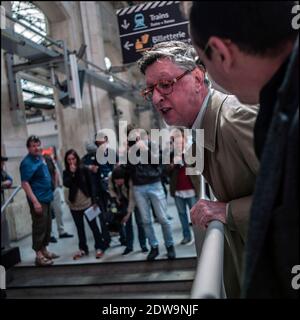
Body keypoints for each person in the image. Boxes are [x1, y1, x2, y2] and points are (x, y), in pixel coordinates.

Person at [188, 1, 299, 299]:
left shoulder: (260, 117)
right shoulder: (280, 103)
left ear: (221, 53)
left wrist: (227, 211)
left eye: (203, 62)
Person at [138, 41, 259, 297]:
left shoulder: (236, 119)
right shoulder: (202, 131)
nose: (157, 97)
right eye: (150, 90)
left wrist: (228, 211)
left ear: (197, 77)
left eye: (166, 84)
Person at [125, 124, 176, 261]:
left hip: (154, 184)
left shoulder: (151, 144)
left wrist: (145, 150)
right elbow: (129, 170)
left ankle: (170, 246)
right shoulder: (129, 150)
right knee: (146, 221)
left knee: (163, 218)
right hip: (138, 187)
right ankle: (154, 247)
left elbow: (159, 163)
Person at [19, 135, 59, 266]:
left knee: (47, 226)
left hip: (47, 197)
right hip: (38, 199)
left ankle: (44, 250)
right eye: (33, 146)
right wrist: (35, 202)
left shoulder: (40, 158)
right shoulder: (26, 163)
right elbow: (25, 183)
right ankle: (38, 255)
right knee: (39, 227)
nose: (36, 148)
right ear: (28, 148)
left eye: (38, 144)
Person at [63, 149, 107, 259]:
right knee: (80, 228)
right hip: (74, 205)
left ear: (77, 159)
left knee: (93, 226)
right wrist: (72, 173)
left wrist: (94, 201)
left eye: (73, 159)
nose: (71, 161)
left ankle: (99, 247)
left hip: (87, 203)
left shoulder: (84, 169)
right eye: (69, 159)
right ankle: (83, 248)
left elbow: (92, 185)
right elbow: (67, 184)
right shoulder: (66, 172)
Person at [168, 128, 200, 245]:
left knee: (195, 214)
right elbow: (165, 171)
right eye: (176, 142)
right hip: (178, 190)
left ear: (184, 140)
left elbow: (198, 167)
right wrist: (172, 165)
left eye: (180, 142)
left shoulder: (191, 152)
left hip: (191, 188)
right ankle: (186, 236)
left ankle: (199, 235)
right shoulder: (171, 154)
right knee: (182, 215)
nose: (178, 144)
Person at [108, 165, 148, 255]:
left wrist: (128, 213)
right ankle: (129, 246)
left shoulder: (130, 179)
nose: (118, 182)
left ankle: (143, 245)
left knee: (140, 223)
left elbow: (132, 198)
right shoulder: (111, 176)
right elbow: (110, 189)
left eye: (120, 180)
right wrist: (116, 198)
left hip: (136, 199)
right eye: (116, 181)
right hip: (124, 200)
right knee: (127, 224)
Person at [43, 154, 73, 241]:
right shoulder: (39, 163)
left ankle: (61, 231)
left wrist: (56, 186)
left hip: (54, 189)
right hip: (46, 191)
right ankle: (50, 234)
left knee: (59, 211)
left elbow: (55, 172)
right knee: (49, 214)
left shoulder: (49, 160)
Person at [1, 156, 13, 250]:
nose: (3, 164)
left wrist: (4, 183)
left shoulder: (2, 171)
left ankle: (3, 244)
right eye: (1, 162)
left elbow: (10, 180)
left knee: (3, 221)